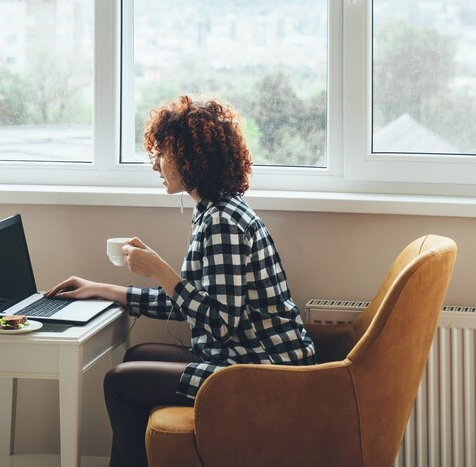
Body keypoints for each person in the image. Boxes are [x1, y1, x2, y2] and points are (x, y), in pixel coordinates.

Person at [45, 95, 316, 467]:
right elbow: (195, 304)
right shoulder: (215, 211)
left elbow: (220, 322)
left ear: (193, 158)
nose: (155, 163)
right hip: (241, 359)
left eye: (163, 152)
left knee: (118, 384)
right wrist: (104, 289)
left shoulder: (221, 222)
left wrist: (161, 270)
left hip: (258, 373)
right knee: (136, 356)